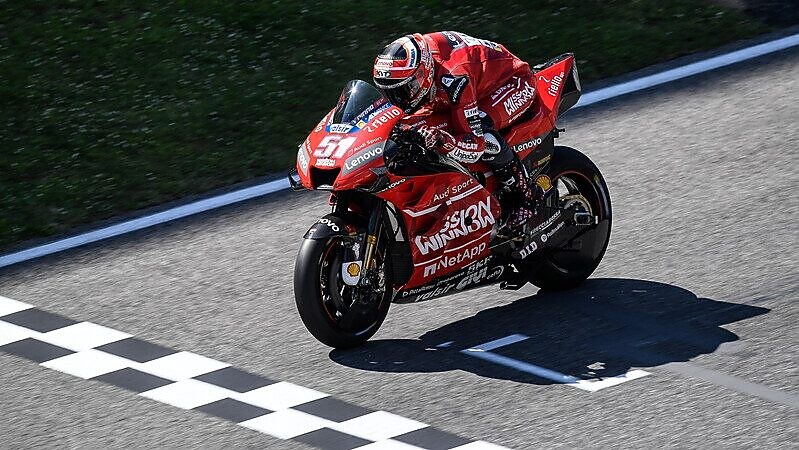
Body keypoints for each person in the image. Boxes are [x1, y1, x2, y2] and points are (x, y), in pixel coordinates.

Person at [372, 31, 541, 238]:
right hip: (473, 84)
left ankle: (527, 196)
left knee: (483, 131)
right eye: (388, 92)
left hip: (512, 83)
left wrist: (446, 142)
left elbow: (476, 144)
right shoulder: (420, 66)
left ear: (422, 74)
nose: (397, 99)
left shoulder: (454, 78)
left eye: (404, 90)